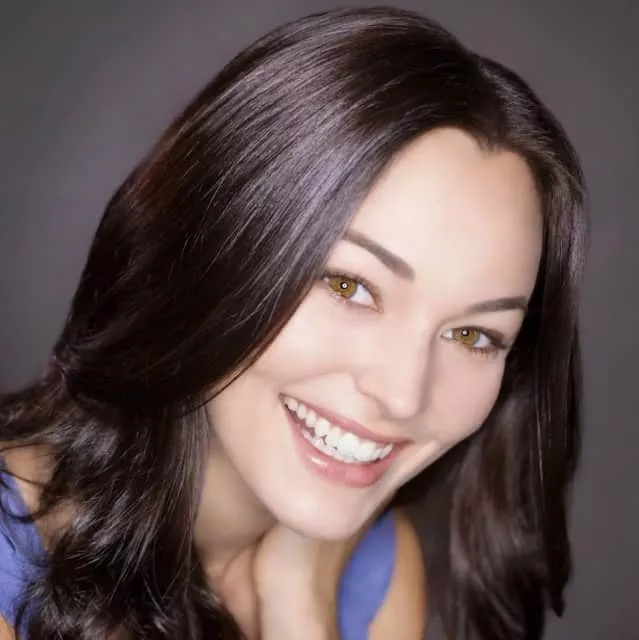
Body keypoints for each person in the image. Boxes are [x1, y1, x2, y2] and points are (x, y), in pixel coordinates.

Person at [0, 6, 587, 640]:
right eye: (349, 286)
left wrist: (300, 603)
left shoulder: (377, 570)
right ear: (214, 249)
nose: (401, 395)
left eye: (474, 336)